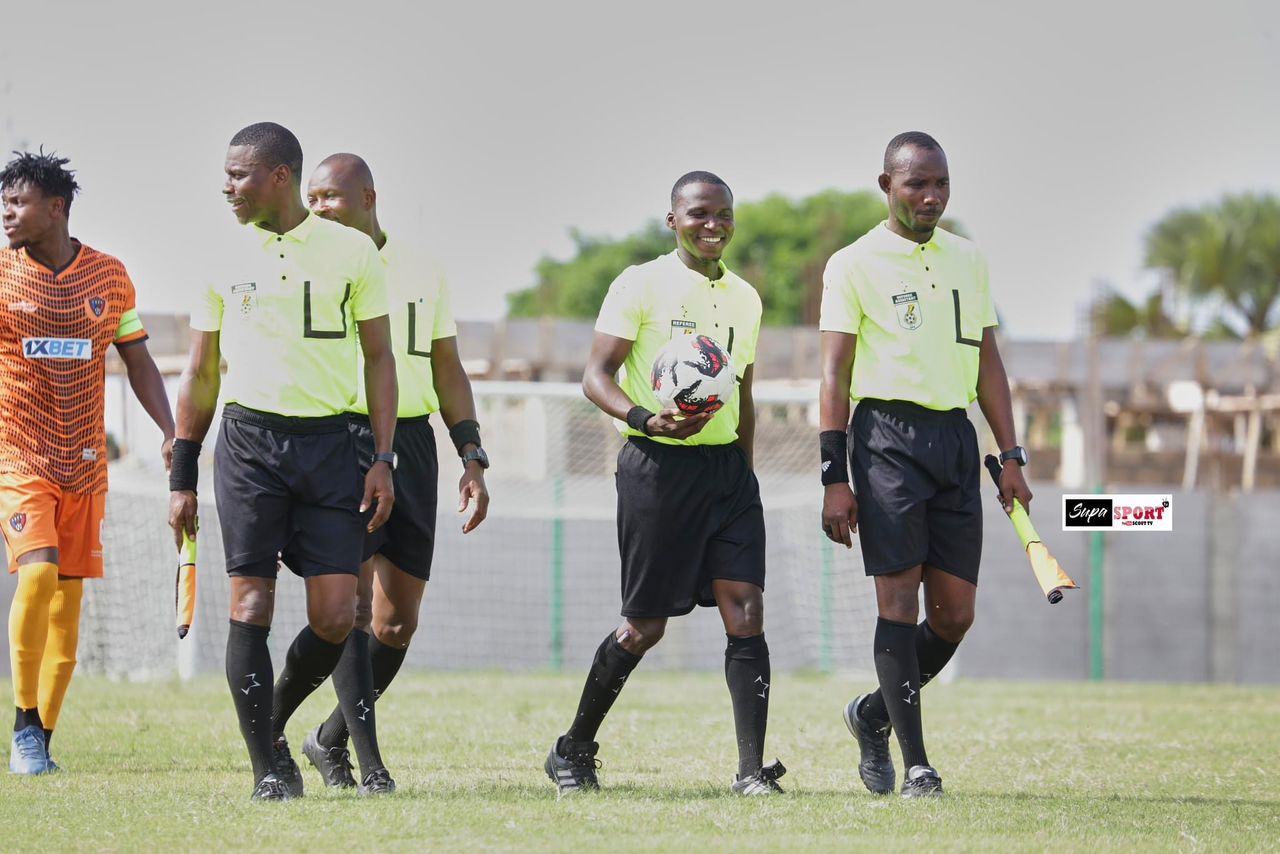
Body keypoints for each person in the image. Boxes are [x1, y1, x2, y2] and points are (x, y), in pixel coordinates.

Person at [167, 123, 398, 801]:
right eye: (226, 175)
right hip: (248, 446)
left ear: (279, 178)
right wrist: (182, 474)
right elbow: (201, 370)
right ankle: (268, 767)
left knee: (336, 614)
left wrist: (382, 457)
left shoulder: (353, 253)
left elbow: (380, 359)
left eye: (239, 175)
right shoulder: (216, 255)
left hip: (331, 447)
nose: (227, 188)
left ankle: (274, 726)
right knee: (253, 600)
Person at [544, 171, 783, 797]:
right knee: (644, 627)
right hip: (656, 468)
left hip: (727, 474)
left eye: (724, 214)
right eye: (700, 214)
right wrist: (647, 418)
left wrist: (745, 469)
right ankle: (573, 748)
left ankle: (751, 772)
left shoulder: (747, 299)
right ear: (672, 220)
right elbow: (596, 375)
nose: (714, 225)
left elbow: (744, 393)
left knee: (747, 611)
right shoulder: (640, 283)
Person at [818, 131, 1032, 798]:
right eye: (917, 184)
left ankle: (871, 713)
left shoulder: (969, 260)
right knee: (898, 602)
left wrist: (1010, 453)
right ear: (887, 186)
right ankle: (916, 765)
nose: (932, 195)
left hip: (955, 440)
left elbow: (986, 362)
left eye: (940, 182)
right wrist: (834, 476)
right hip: (886, 438)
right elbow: (832, 374)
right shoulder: (852, 264)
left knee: (955, 616)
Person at [298, 153, 490, 788]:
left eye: (331, 196)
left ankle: (323, 736)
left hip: (412, 443)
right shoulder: (308, 264)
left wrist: (471, 453)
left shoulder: (423, 268)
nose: (320, 207)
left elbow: (447, 368)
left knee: (396, 622)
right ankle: (368, 763)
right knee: (349, 609)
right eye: (312, 198)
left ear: (369, 197)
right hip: (342, 441)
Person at [1, 150, 175, 775]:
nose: (7, 213)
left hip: (85, 464)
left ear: (56, 208)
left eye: (18, 202)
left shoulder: (109, 277)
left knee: (67, 614)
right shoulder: (2, 276)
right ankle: (22, 723)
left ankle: (41, 737)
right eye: (5, 202)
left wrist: (170, 431)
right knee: (37, 577)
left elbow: (139, 360)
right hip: (18, 457)